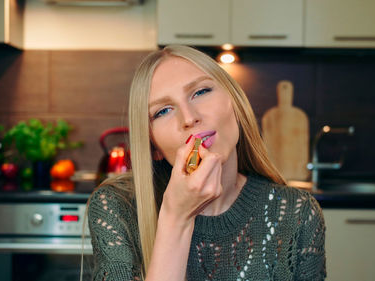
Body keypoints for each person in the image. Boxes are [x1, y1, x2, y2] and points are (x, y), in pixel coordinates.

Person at [87, 45, 326, 281]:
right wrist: (176, 217)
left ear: (236, 104)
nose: (189, 118)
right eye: (163, 111)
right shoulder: (116, 207)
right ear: (154, 148)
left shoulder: (298, 211)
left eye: (200, 92)